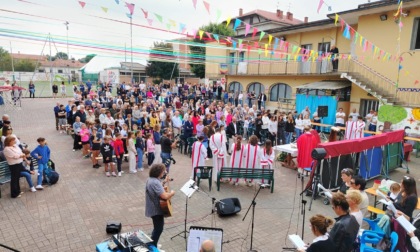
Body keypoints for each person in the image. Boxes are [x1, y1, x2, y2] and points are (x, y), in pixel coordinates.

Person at [145, 164, 175, 248]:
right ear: (159, 172)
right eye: (163, 171)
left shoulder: (151, 179)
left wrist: (164, 181)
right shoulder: (155, 182)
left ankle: (153, 243)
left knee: (157, 227)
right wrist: (172, 193)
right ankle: (152, 246)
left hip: (152, 207)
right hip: (156, 210)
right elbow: (164, 196)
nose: (164, 172)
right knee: (158, 229)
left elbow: (158, 188)